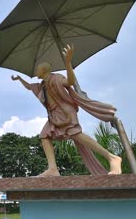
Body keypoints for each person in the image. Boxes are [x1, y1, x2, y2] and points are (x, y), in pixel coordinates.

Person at [12, 45, 122, 176]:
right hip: (54, 115)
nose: (36, 72)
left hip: (66, 112)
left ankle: (112, 157)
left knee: (76, 134)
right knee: (44, 136)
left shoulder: (57, 77)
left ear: (43, 70)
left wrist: (68, 62)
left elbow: (70, 82)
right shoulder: (42, 85)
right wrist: (19, 79)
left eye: (37, 69)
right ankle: (52, 169)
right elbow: (30, 87)